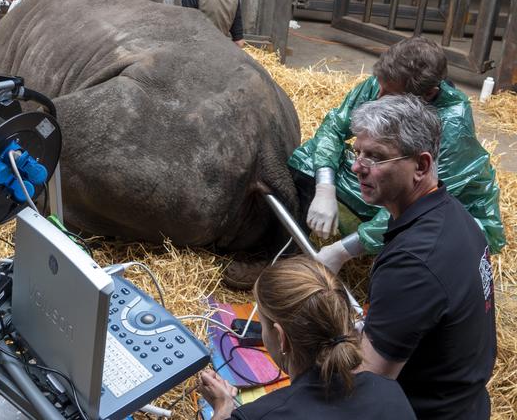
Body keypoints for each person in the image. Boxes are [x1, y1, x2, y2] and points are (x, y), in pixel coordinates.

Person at [287, 36, 504, 273]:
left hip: (447, 207)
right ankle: (289, 246)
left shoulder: (453, 126)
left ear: (427, 94)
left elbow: (421, 202)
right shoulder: (387, 83)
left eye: (389, 94)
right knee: (310, 159)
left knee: (422, 240)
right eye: (380, 86)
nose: (378, 97)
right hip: (397, 179)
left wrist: (342, 251)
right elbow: (334, 128)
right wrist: (324, 187)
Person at [351, 95, 496, 418]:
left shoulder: (414, 261)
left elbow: (367, 385)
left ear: (421, 165)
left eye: (375, 157)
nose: (357, 166)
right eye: (358, 151)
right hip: (465, 401)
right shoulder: (453, 214)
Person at [198, 256, 415, 419]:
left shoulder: (258, 415)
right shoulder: (390, 392)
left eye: (264, 326)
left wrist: (223, 409)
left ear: (282, 338)